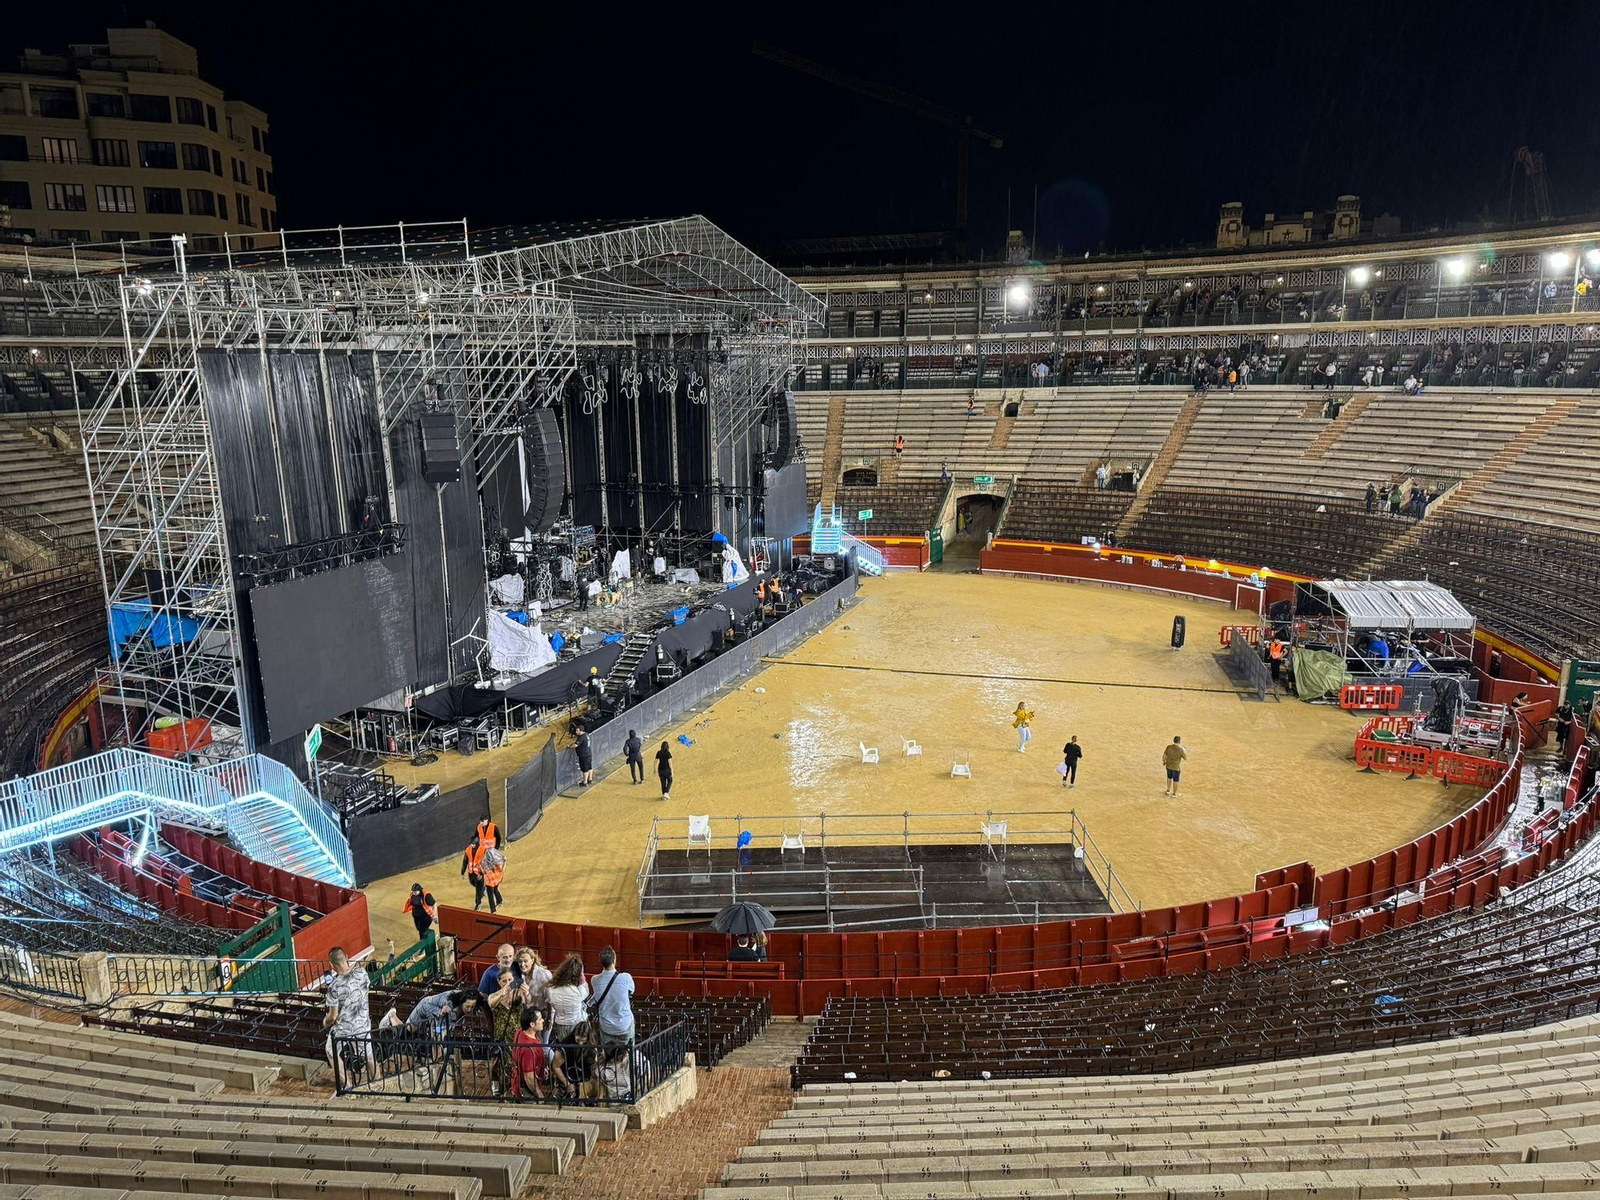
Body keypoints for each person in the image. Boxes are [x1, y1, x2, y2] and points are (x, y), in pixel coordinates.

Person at [322, 947, 373, 1077]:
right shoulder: (361, 973)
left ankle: (345, 1085)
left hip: (343, 1028)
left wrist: (325, 1022)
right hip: (362, 1023)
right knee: (370, 1057)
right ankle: (377, 1082)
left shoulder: (334, 987)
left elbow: (333, 1017)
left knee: (331, 1052)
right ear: (346, 956)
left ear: (332, 965)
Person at [511, 1008, 571, 1100]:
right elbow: (529, 1077)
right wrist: (539, 1095)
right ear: (532, 1024)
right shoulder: (528, 1049)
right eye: (540, 1019)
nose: (543, 1020)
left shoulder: (521, 1032)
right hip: (526, 1089)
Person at [588, 945, 635, 1047]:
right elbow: (631, 991)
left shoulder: (594, 980)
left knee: (609, 1056)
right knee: (628, 1054)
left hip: (606, 1026)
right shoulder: (626, 977)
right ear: (614, 960)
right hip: (624, 1025)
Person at [546, 953, 590, 1043]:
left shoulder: (551, 989)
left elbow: (549, 1003)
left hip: (560, 1024)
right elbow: (586, 990)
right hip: (577, 1025)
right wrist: (582, 976)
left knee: (564, 1050)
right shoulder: (577, 992)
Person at [460, 838, 489, 911]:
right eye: (470, 844)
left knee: (478, 890)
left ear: (476, 844)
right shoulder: (468, 850)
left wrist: (482, 873)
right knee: (473, 883)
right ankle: (483, 889)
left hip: (479, 873)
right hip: (471, 872)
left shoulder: (483, 849)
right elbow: (465, 861)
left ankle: (478, 903)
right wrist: (462, 872)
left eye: (472, 844)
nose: (471, 845)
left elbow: (486, 862)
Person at [480, 843, 505, 914]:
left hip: (490, 881)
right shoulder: (496, 859)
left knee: (490, 895)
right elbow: (501, 870)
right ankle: (500, 901)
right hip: (497, 879)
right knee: (495, 890)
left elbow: (484, 871)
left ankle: (493, 910)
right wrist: (505, 861)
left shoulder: (484, 861)